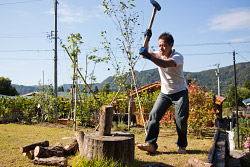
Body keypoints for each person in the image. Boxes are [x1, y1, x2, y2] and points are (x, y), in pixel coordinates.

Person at [137, 30, 189, 154]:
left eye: (164, 45)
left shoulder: (178, 57)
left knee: (180, 120)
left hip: (180, 92)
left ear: (171, 45)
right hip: (165, 93)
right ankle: (150, 144)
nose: (161, 48)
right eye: (159, 45)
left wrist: (149, 56)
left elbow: (165, 64)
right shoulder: (159, 54)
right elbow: (144, 54)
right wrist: (147, 39)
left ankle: (182, 146)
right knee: (154, 115)